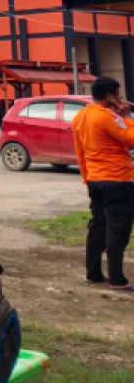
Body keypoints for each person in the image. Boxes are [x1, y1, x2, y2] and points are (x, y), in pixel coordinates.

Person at [71, 75, 134, 291]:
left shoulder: (80, 116)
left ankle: (94, 272)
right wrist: (126, 116)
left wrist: (86, 177)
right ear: (109, 96)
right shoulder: (108, 116)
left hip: (95, 179)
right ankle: (117, 278)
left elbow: (80, 151)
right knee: (118, 228)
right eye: (117, 94)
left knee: (98, 224)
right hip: (118, 179)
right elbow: (130, 138)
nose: (120, 97)